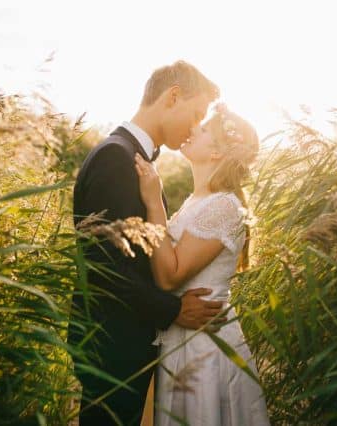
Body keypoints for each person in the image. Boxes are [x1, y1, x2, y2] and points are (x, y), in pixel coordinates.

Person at [71, 60, 224, 425]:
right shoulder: (115, 158)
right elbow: (106, 266)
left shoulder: (130, 157)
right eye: (197, 114)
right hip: (112, 344)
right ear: (173, 97)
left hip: (125, 341)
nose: (197, 127)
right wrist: (172, 310)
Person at [134, 103, 271, 425]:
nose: (193, 128)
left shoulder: (223, 205)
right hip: (186, 337)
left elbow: (169, 277)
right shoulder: (198, 202)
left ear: (217, 154)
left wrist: (154, 200)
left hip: (204, 347)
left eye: (204, 128)